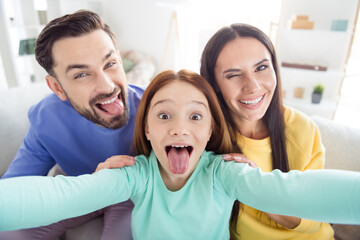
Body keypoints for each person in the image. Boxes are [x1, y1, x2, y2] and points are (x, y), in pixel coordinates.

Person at [0, 69, 360, 239]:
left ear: (209, 132)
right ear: (146, 130)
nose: (179, 128)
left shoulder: (224, 173)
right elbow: (62, 195)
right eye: (164, 115)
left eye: (195, 116)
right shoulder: (134, 174)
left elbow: (291, 191)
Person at [0, 10, 139, 240]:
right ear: (57, 88)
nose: (107, 86)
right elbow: (13, 191)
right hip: (80, 192)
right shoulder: (45, 118)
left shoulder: (156, 110)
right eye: (82, 74)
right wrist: (93, 185)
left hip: (132, 196)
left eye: (110, 63)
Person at [200, 23, 335, 239]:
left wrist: (255, 185)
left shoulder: (302, 128)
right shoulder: (207, 140)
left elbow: (316, 216)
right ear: (214, 84)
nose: (252, 86)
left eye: (261, 67)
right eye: (233, 75)